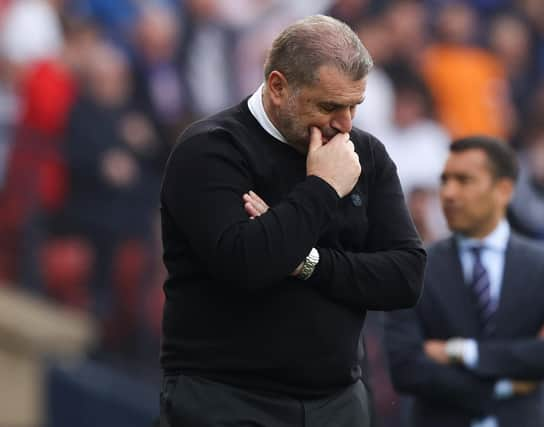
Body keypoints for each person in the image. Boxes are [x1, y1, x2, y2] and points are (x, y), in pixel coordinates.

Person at [158, 15, 426, 427]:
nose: (345, 124)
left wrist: (307, 261)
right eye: (329, 106)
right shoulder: (211, 149)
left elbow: (406, 276)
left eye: (354, 106)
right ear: (279, 87)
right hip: (226, 400)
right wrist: (321, 187)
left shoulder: (364, 154)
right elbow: (246, 264)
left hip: (337, 403)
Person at [384, 136, 544, 427]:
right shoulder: (412, 266)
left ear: (503, 190)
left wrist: (461, 352)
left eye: (464, 180)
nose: (448, 193)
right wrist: (505, 385)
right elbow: (406, 368)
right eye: (445, 180)